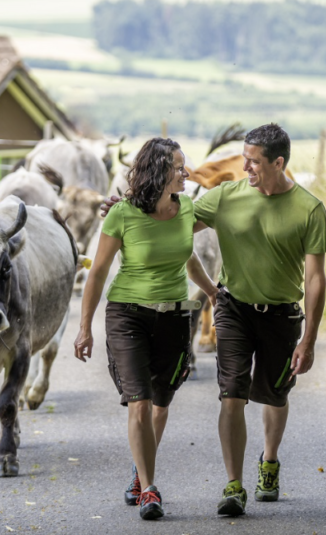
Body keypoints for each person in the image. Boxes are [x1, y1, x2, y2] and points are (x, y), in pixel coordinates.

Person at [104, 124, 326, 516]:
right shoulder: (225, 197)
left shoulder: (309, 209)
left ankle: (270, 460)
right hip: (233, 309)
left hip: (282, 314)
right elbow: (168, 223)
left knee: (275, 396)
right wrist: (127, 208)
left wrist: (308, 340)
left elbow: (315, 279)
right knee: (232, 395)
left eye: (253, 161)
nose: (244, 166)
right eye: (243, 158)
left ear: (279, 163)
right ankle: (234, 486)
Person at [74, 137, 218, 521]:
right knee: (138, 401)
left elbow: (186, 255)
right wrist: (85, 327)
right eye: (177, 167)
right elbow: (99, 272)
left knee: (160, 403)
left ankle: (140, 472)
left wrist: (211, 291)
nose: (184, 173)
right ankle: (149, 489)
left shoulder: (186, 208)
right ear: (158, 171)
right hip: (127, 315)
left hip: (174, 317)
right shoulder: (121, 215)